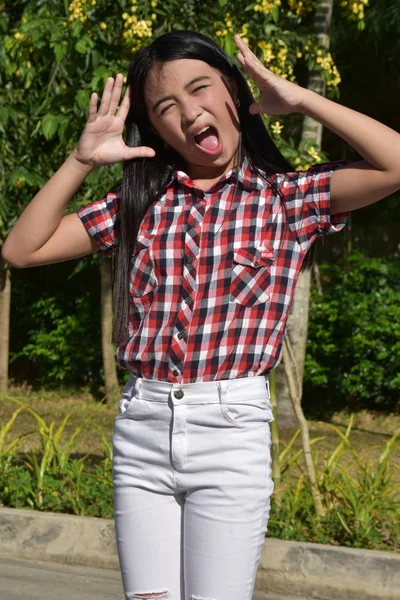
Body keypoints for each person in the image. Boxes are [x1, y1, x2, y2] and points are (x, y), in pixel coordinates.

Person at [2, 29, 400, 600]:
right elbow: (21, 249)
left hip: (231, 433)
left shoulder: (286, 200)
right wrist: (80, 160)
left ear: (235, 94)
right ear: (154, 127)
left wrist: (300, 98)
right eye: (166, 107)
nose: (189, 114)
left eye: (200, 90)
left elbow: (395, 163)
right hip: (142, 428)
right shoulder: (137, 204)